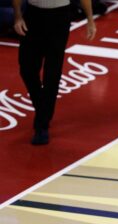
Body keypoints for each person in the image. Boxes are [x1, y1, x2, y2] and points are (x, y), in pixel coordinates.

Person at [13, 0, 96, 145]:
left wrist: (90, 20)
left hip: (59, 16)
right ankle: (42, 110)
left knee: (52, 72)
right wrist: (18, 16)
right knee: (26, 69)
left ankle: (42, 125)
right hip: (33, 15)